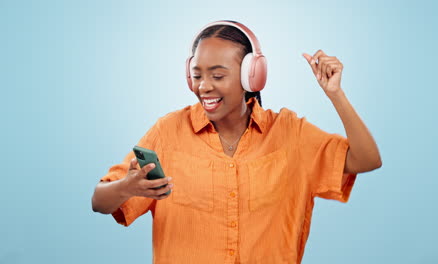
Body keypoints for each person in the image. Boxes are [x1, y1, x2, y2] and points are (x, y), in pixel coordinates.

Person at [92, 20, 382, 264]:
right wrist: (126, 187)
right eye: (197, 75)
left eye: (218, 75)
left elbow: (367, 159)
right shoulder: (168, 132)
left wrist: (336, 94)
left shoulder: (291, 133)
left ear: (251, 76)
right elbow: (99, 201)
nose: (204, 86)